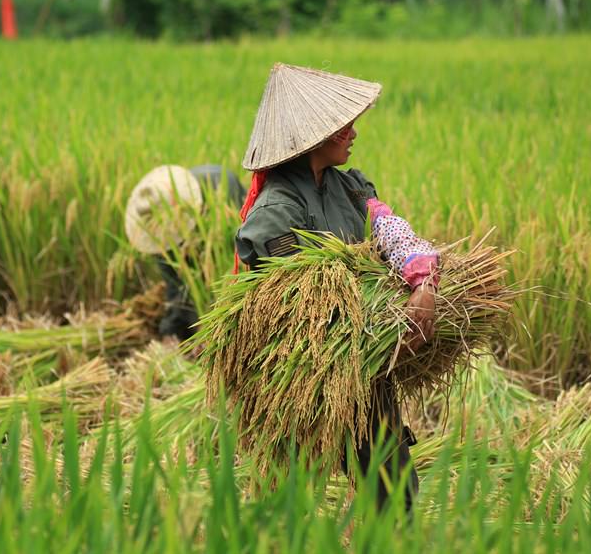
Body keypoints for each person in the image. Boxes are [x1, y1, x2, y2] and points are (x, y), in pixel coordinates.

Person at [234, 63, 439, 513]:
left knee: (395, 493)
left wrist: (422, 280)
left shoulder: (348, 187)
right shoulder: (275, 211)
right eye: (343, 125)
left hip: (364, 373)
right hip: (306, 378)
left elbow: (389, 230)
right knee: (288, 501)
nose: (354, 132)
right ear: (314, 135)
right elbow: (296, 299)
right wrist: (382, 330)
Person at [125, 164, 245, 341]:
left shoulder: (222, 187)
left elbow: (241, 255)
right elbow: (177, 286)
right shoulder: (159, 237)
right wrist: (172, 332)